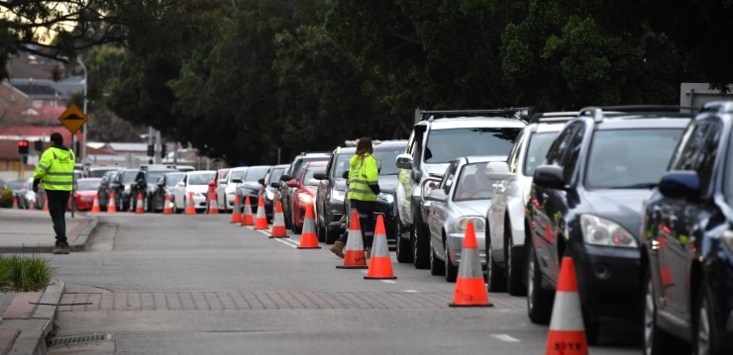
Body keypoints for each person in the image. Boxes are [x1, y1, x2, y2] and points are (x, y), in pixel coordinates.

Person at [330, 137, 380, 259]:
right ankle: (339, 243)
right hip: (365, 197)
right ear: (370, 147)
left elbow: (351, 177)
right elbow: (371, 178)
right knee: (359, 223)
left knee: (368, 223)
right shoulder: (369, 160)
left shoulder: (355, 161)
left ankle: (369, 250)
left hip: (355, 196)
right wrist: (377, 190)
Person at [33, 132, 76, 254]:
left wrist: (35, 183)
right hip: (66, 189)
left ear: (52, 142)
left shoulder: (49, 152)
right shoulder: (71, 154)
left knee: (57, 217)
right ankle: (61, 242)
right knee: (60, 216)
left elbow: (40, 170)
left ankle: (62, 244)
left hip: (53, 189)